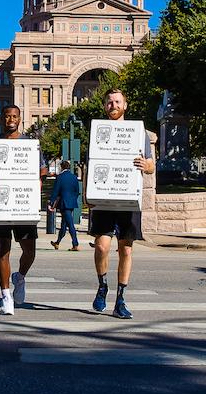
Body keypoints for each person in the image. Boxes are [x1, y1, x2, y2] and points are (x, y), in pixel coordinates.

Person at [88, 88, 155, 319]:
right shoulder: (97, 131)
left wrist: (146, 166)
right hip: (105, 199)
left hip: (128, 199)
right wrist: (88, 193)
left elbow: (151, 165)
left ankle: (120, 299)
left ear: (125, 105)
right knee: (101, 246)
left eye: (117, 102)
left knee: (126, 249)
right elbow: (91, 164)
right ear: (105, 106)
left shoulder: (139, 133)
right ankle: (102, 285)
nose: (113, 105)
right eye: (109, 102)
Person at [0, 104, 48, 315]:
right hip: (2, 204)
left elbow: (41, 169)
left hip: (24, 202)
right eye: (7, 116)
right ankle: (5, 295)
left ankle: (20, 277)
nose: (11, 119)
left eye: (14, 116)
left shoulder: (30, 143)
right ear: (2, 119)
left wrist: (39, 181)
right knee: (3, 249)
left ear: (20, 119)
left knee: (29, 250)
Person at [49, 160, 80, 251]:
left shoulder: (60, 177)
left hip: (64, 203)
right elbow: (77, 191)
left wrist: (51, 202)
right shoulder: (74, 177)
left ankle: (75, 244)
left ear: (61, 167)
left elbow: (56, 191)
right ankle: (57, 242)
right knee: (64, 224)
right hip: (71, 203)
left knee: (70, 224)